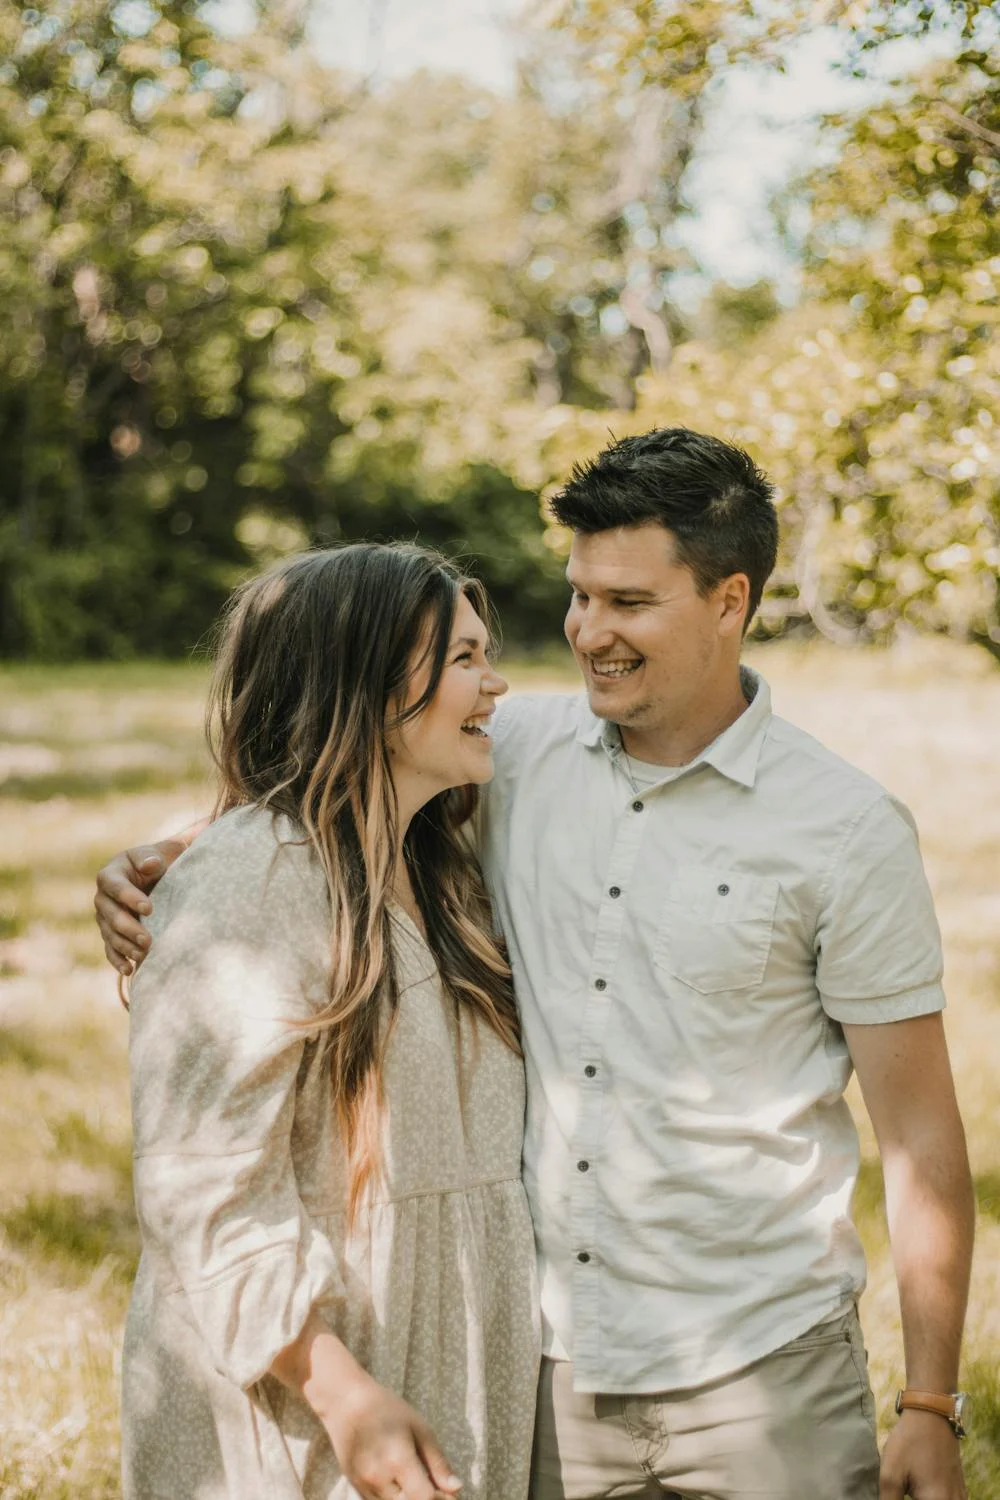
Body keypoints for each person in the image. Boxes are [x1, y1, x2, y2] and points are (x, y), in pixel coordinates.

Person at [97, 428, 974, 1500]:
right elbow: (329, 779)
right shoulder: (517, 751)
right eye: (578, 596)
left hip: (765, 1369)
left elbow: (922, 1135)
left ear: (730, 599)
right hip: (549, 1371)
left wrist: (931, 1402)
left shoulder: (844, 828)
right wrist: (168, 861)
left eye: (629, 603)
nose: (586, 635)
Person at [112, 543, 540, 1500]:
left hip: (444, 1349)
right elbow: (202, 1188)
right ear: (363, 685)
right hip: (309, 1389)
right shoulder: (253, 880)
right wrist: (343, 1394)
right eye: (465, 658)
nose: (496, 681)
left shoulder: (440, 869)